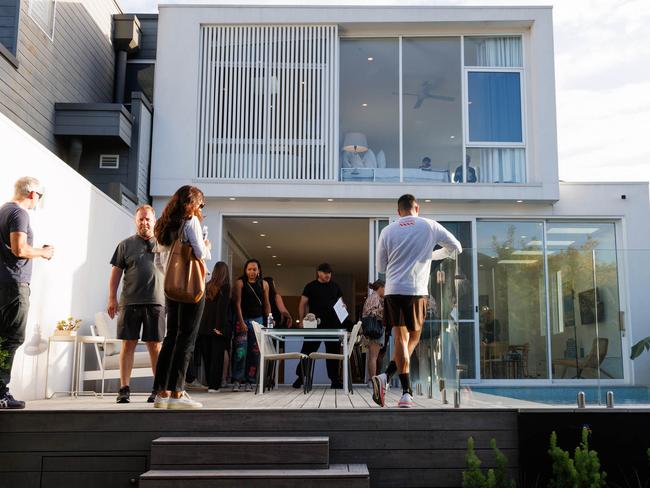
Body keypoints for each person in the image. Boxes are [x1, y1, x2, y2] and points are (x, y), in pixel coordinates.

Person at [371, 194, 462, 408]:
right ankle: (406, 392)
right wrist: (430, 255)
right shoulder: (430, 226)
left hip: (393, 291)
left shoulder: (388, 230)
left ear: (398, 211)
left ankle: (385, 377)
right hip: (417, 291)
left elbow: (381, 267)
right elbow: (456, 248)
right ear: (417, 208)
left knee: (401, 340)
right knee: (412, 339)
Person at [152, 185, 211, 409]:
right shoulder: (190, 222)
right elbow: (199, 253)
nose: (201, 209)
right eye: (201, 204)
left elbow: (158, 262)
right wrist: (206, 245)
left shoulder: (162, 225)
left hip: (171, 288)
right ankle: (177, 393)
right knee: (187, 339)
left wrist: (172, 275)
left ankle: (161, 393)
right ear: (192, 203)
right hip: (191, 289)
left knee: (170, 338)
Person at [0, 177, 54, 409]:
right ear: (32, 193)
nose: (38, 201)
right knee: (11, 339)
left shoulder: (3, 210)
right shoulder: (19, 214)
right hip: (14, 285)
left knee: (3, 338)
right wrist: (43, 252)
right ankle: (1, 393)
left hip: (4, 283)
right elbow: (19, 249)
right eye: (39, 197)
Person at [107, 205, 165, 404]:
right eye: (141, 219)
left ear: (154, 220)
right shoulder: (125, 245)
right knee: (128, 344)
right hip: (130, 302)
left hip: (156, 302)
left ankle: (157, 389)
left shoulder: (164, 243)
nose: (144, 223)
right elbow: (115, 273)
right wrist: (112, 298)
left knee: (155, 346)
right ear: (135, 221)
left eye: (148, 219)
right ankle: (124, 389)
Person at [292, 263, 347, 390]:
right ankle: (300, 377)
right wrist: (301, 320)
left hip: (333, 325)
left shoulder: (335, 286)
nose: (328, 275)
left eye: (329, 273)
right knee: (307, 351)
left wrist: (344, 307)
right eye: (325, 272)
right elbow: (302, 304)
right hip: (314, 325)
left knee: (333, 353)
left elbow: (341, 303)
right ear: (319, 273)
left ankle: (334, 380)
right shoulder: (311, 286)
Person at [232, 258, 270, 392]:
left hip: (258, 321)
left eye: (254, 269)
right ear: (245, 270)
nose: (252, 272)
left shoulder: (264, 284)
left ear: (259, 270)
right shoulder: (240, 283)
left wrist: (269, 319)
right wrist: (241, 321)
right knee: (240, 351)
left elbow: (266, 304)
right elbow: (237, 304)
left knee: (255, 352)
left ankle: (250, 380)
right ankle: (237, 380)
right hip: (243, 320)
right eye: (249, 269)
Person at [194, 261, 233, 392]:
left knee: (207, 357)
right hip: (217, 327)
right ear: (225, 272)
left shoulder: (207, 286)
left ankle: (210, 383)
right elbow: (222, 310)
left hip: (203, 327)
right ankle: (214, 385)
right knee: (217, 357)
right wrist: (219, 327)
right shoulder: (226, 287)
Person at [362, 279, 385, 381]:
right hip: (375, 329)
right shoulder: (375, 297)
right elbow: (372, 312)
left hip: (372, 329)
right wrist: (384, 312)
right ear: (381, 287)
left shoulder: (373, 297)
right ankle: (373, 381)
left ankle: (372, 380)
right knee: (373, 356)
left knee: (372, 356)